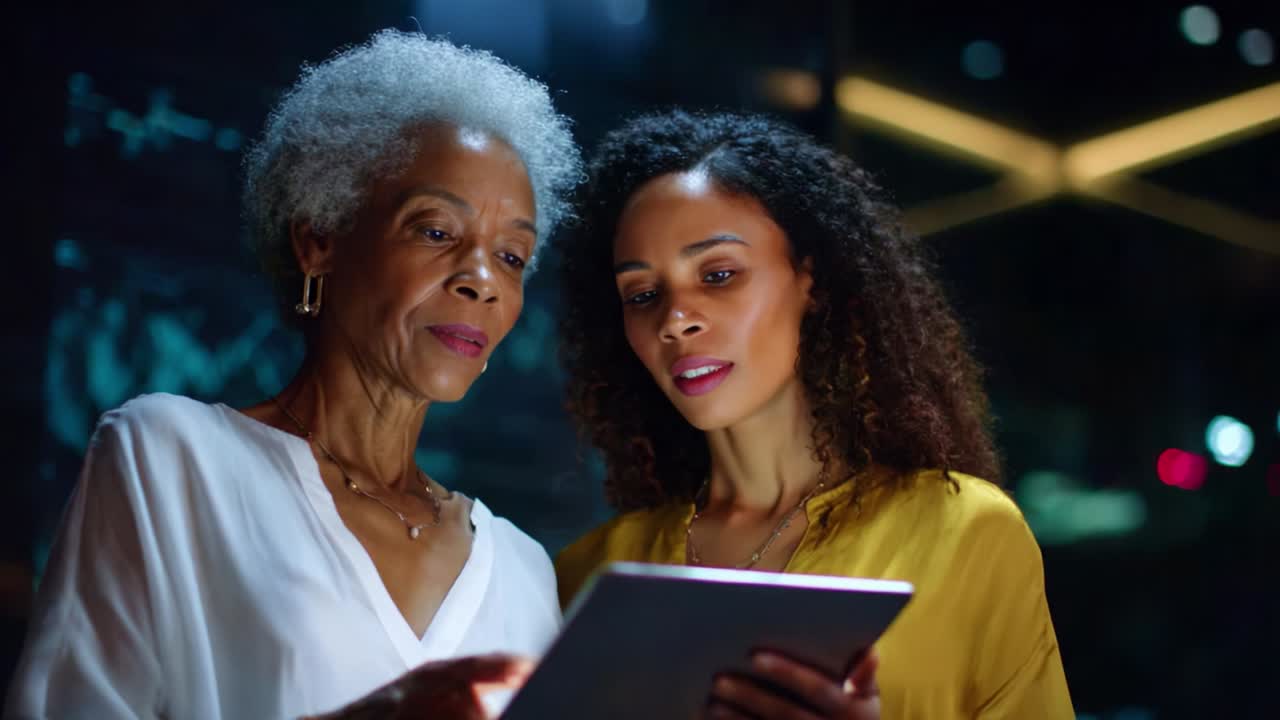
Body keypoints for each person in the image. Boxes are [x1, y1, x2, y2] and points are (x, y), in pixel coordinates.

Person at [6, 30, 581, 720]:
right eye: (435, 231)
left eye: (512, 257)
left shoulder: (522, 569)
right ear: (319, 240)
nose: (482, 280)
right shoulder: (170, 457)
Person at [554, 110, 1075, 719]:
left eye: (718, 275)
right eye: (643, 295)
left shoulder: (965, 534)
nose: (675, 320)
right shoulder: (585, 576)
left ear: (812, 280)